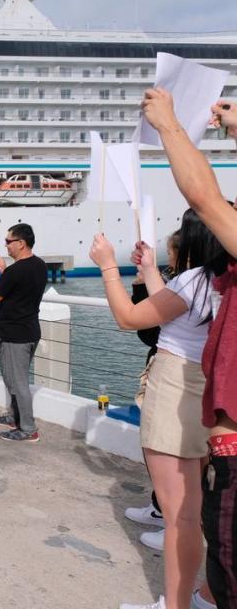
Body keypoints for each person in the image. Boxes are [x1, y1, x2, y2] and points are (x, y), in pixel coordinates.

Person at [91, 211, 227, 609]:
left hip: (175, 390)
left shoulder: (193, 280)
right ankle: (206, 595)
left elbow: (128, 318)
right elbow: (175, 309)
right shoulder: (218, 284)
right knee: (199, 507)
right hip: (207, 388)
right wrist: (151, 269)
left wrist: (108, 267)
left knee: (179, 516)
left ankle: (175, 605)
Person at [141, 88, 237, 609]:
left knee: (204, 525)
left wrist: (170, 126)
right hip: (218, 423)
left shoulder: (200, 280)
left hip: (222, 424)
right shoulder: (209, 281)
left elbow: (204, 197)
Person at [124, 230, 181, 553]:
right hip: (161, 370)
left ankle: (175, 523)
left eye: (172, 252)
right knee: (156, 448)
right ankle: (161, 508)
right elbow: (148, 332)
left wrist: (107, 269)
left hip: (178, 379)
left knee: (171, 453)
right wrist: (140, 285)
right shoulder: (181, 282)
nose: (168, 257)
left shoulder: (190, 286)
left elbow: (134, 322)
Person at [0, 223, 47, 442]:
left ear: (21, 243)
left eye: (9, 241)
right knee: (13, 379)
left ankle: (28, 429)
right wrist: (3, 271)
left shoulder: (16, 270)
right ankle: (15, 416)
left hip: (15, 335)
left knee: (18, 383)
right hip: (29, 331)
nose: (6, 245)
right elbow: (19, 286)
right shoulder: (39, 265)